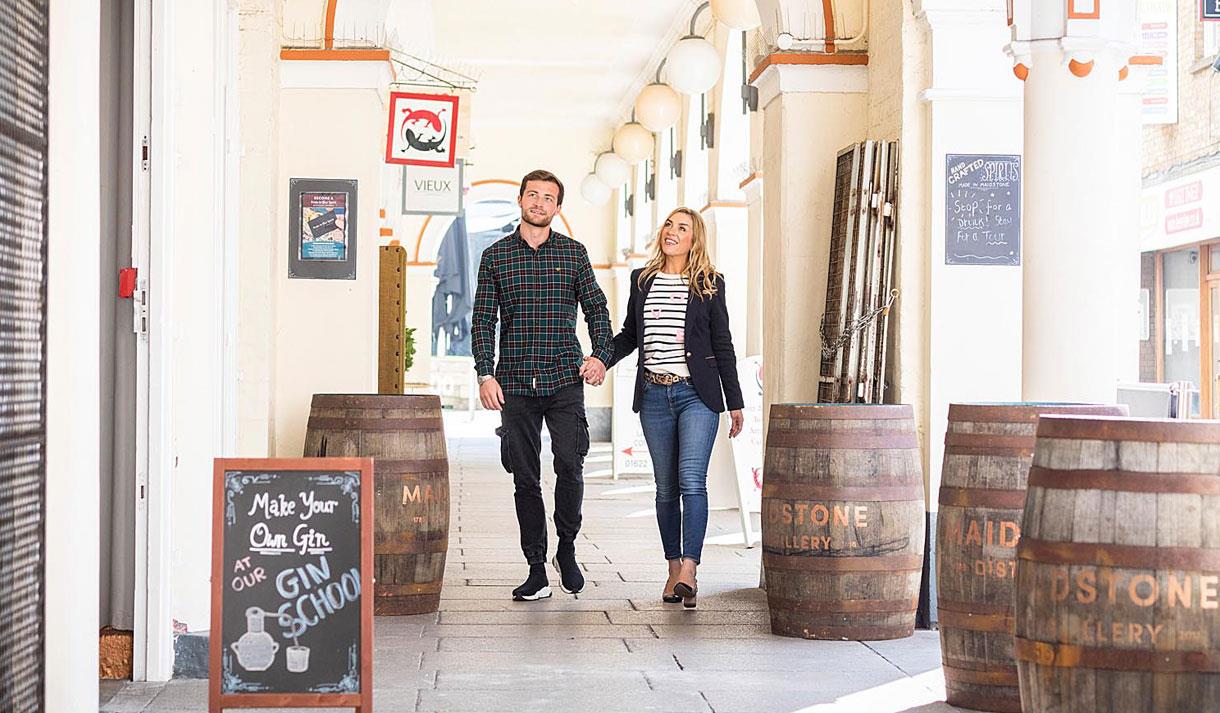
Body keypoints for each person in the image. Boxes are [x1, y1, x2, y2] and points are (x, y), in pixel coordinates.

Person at [471, 169, 612, 601]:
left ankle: (566, 550)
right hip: (514, 382)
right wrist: (485, 372)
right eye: (532, 195)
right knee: (525, 479)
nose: (539, 203)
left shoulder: (574, 254)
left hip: (565, 378)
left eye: (548, 197)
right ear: (520, 200)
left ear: (557, 207)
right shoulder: (495, 257)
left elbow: (597, 308)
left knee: (570, 464)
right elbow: (482, 319)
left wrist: (600, 356)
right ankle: (536, 566)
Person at [601, 207, 744, 609]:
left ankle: (690, 570)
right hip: (654, 396)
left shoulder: (709, 284)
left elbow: (723, 344)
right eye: (668, 224)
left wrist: (734, 402)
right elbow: (630, 334)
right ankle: (671, 566)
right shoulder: (642, 280)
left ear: (694, 238)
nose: (672, 232)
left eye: (682, 228)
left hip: (696, 395)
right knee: (665, 486)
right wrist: (601, 360)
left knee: (691, 480)